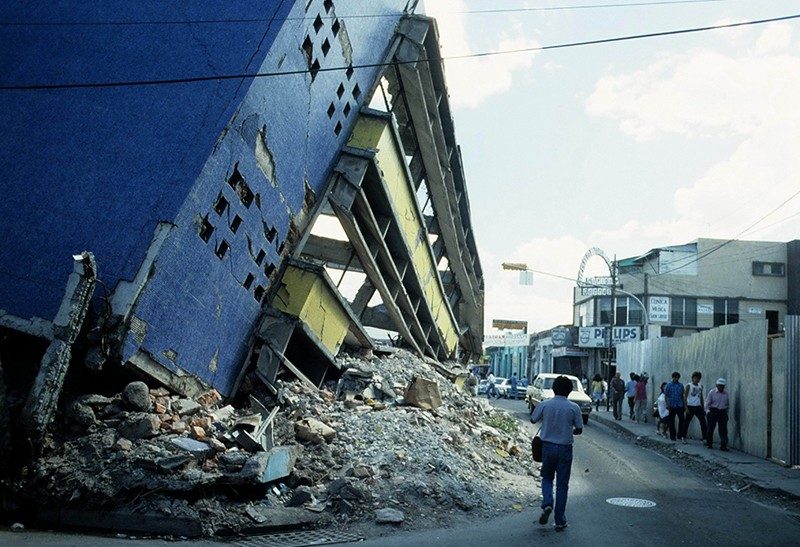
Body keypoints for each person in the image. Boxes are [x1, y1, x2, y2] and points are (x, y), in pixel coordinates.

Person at [530, 375, 583, 531]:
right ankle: (560, 520)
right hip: (565, 449)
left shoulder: (545, 404)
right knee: (562, 485)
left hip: (547, 447)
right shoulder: (574, 407)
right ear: (569, 391)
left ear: (553, 389)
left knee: (547, 477)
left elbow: (533, 419)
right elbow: (579, 429)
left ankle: (547, 503)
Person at [681, 371, 708, 442]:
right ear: (692, 378)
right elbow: (685, 397)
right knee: (687, 422)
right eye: (695, 378)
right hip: (690, 406)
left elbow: (701, 397)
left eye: (698, 378)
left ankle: (705, 438)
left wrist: (703, 407)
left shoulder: (700, 386)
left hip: (698, 406)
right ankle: (683, 437)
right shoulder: (688, 385)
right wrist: (686, 408)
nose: (697, 379)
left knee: (703, 422)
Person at [706, 378, 730, 451]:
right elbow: (707, 403)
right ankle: (709, 443)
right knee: (711, 428)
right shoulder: (712, 392)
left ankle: (723, 445)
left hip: (722, 412)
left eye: (722, 386)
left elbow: (727, 404)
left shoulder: (726, 393)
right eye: (719, 386)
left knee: (723, 430)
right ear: (716, 385)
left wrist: (726, 413)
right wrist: (707, 412)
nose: (721, 387)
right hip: (713, 411)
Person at [663, 371, 686, 443]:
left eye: (678, 377)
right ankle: (672, 435)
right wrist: (667, 404)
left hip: (680, 405)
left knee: (682, 420)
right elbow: (666, 395)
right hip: (672, 405)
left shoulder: (681, 385)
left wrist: (684, 405)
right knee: (671, 421)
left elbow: (682, 396)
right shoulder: (669, 385)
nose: (676, 378)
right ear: (673, 377)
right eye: (675, 377)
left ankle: (680, 435)